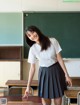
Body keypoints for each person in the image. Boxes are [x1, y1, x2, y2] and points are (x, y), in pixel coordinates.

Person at [23, 25, 72, 105]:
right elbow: (32, 68)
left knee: (57, 99)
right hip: (44, 73)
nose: (32, 36)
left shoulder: (52, 41)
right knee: (45, 100)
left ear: (37, 31)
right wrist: (28, 87)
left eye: (32, 32)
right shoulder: (33, 49)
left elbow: (59, 59)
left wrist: (67, 75)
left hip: (56, 71)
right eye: (29, 35)